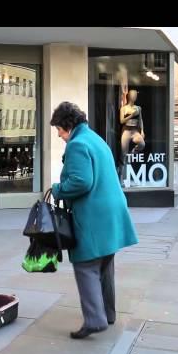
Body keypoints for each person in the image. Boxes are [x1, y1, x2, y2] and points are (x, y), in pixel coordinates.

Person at [50, 101, 138, 339]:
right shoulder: (95, 139)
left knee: (85, 265)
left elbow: (81, 181)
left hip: (94, 215)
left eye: (58, 128)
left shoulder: (78, 144)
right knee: (105, 263)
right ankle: (107, 314)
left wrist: (57, 189)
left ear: (68, 125)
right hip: (111, 212)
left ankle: (95, 320)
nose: (58, 134)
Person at [119, 89, 146, 173]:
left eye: (135, 95)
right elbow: (121, 121)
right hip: (126, 130)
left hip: (134, 131)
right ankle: (121, 174)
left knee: (142, 144)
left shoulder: (138, 108)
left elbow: (140, 120)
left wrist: (142, 131)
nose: (134, 96)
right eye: (133, 95)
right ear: (129, 96)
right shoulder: (123, 108)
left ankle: (133, 152)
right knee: (123, 154)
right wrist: (131, 115)